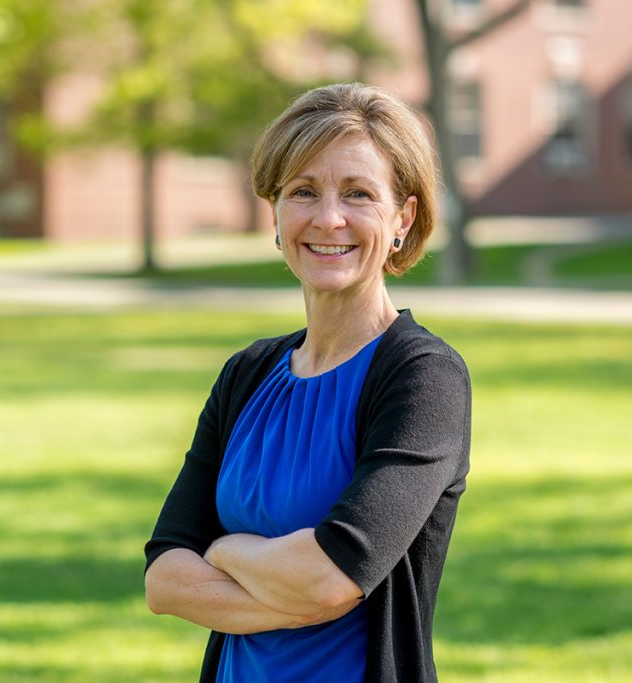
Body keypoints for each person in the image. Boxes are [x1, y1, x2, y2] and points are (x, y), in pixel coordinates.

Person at [144, 82, 472, 683]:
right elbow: (165, 578)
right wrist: (289, 588)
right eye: (303, 191)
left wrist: (223, 549)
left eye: (358, 193)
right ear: (274, 211)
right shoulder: (246, 375)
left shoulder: (423, 379)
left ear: (403, 218)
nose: (328, 218)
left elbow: (330, 578)